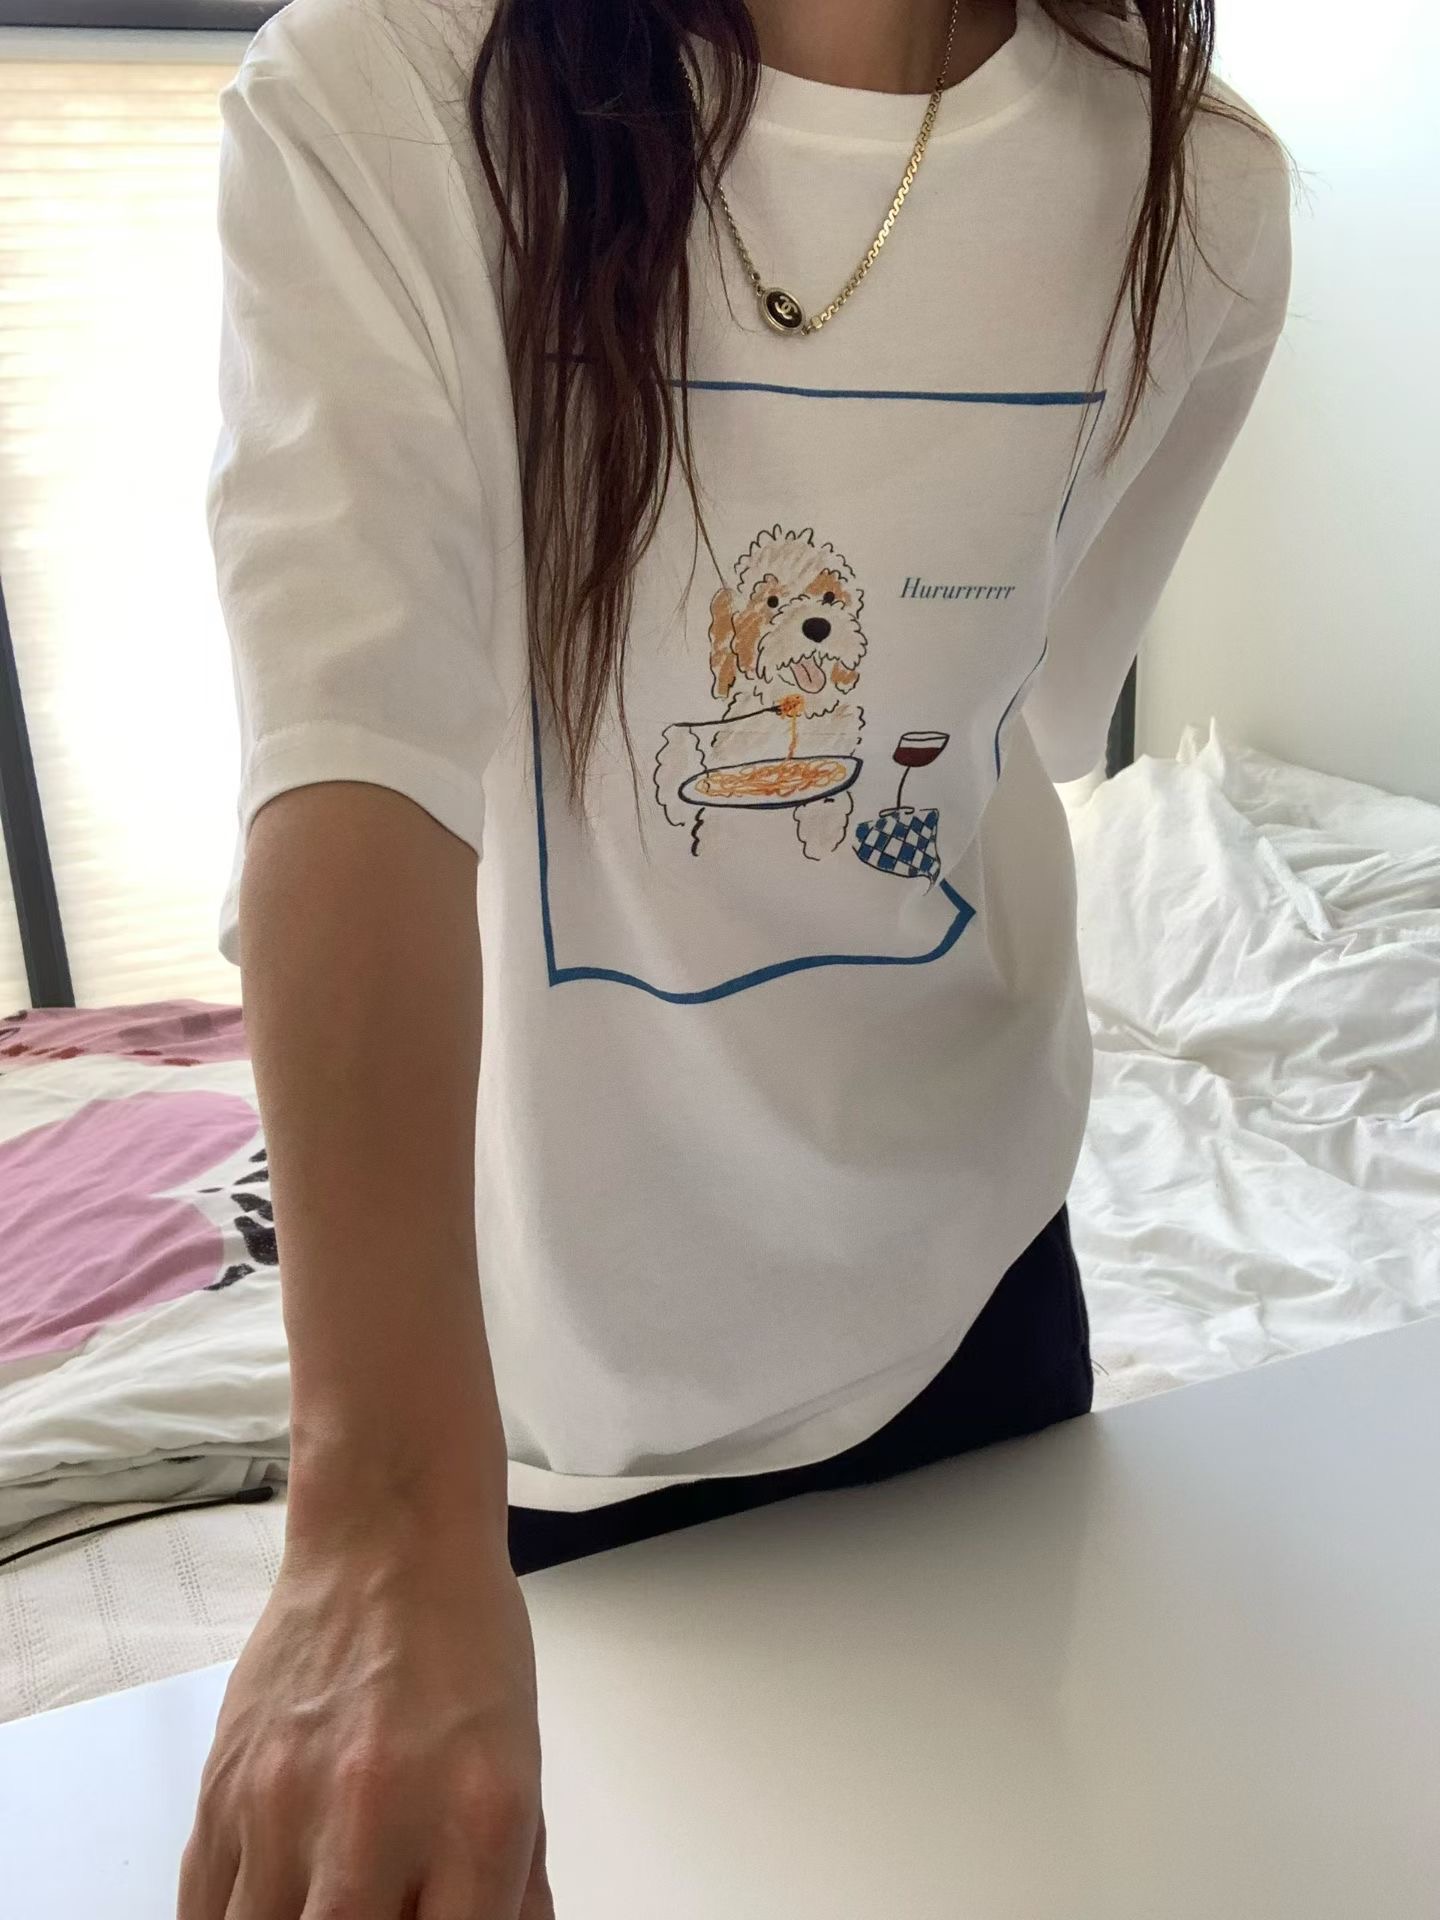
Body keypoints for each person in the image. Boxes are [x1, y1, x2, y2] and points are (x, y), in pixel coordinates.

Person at [181, 0, 1293, 1912]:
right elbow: (351, 769)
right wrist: (376, 1516)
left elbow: (1017, 726)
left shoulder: (1202, 195)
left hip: (972, 1305)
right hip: (524, 1388)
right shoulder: (382, 89)